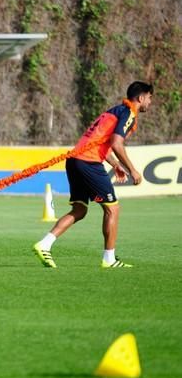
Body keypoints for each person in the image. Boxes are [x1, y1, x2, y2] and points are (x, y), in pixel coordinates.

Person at [33, 81, 153, 268]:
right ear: (141, 97)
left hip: (74, 160)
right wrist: (132, 170)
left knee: (80, 210)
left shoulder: (113, 111)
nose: (150, 102)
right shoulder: (128, 113)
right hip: (88, 163)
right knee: (112, 209)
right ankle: (109, 259)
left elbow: (100, 142)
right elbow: (116, 143)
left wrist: (115, 164)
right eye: (150, 97)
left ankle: (44, 244)